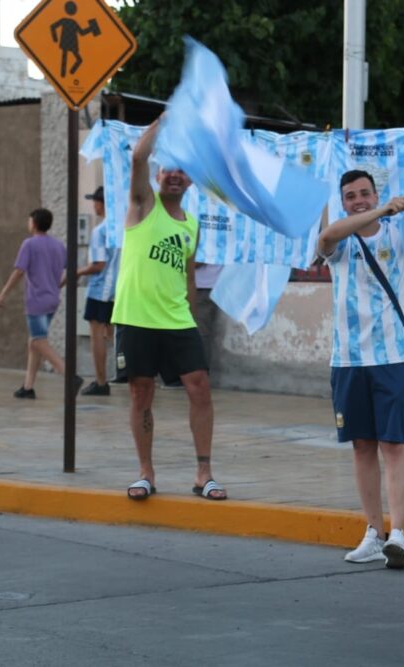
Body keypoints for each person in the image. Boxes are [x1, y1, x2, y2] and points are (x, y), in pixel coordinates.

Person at [113, 117, 226, 501]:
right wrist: (168, 117)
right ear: (159, 175)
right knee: (140, 395)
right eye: (169, 169)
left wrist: (194, 318)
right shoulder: (142, 204)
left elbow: (188, 275)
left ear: (191, 181)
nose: (175, 175)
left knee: (200, 390)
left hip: (177, 320)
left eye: (183, 171)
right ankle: (146, 473)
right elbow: (137, 157)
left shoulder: (191, 224)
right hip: (135, 317)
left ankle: (204, 473)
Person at [316, 169, 404, 569]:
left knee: (394, 446)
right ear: (343, 202)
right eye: (351, 196)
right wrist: (382, 209)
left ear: (376, 193)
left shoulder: (400, 234)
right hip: (349, 359)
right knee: (362, 446)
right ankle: (373, 533)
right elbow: (325, 238)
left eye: (364, 194)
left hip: (392, 357)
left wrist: (394, 211)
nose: (358, 200)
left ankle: (399, 534)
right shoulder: (341, 241)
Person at [0, 208, 81, 399]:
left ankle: (69, 376)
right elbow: (73, 270)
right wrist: (58, 285)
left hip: (36, 300)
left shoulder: (29, 244)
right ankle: (28, 387)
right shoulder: (58, 245)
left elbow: (19, 271)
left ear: (33, 223)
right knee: (34, 342)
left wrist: (3, 293)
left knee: (38, 340)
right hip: (52, 299)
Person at [76, 186, 120, 396]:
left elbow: (99, 264)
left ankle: (101, 381)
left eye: (95, 201)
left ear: (102, 204)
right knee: (112, 334)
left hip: (100, 288)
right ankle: (121, 372)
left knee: (97, 336)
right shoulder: (123, 228)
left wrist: (76, 273)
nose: (94, 205)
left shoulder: (100, 231)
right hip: (119, 289)